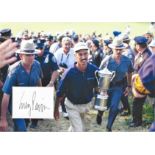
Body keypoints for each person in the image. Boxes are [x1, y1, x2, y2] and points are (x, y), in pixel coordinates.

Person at [54, 42, 98, 132]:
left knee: (84, 129)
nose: (83, 57)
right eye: (80, 54)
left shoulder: (94, 70)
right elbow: (59, 93)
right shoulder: (69, 73)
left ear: (88, 54)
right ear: (75, 56)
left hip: (87, 106)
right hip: (72, 105)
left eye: (85, 54)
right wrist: (56, 110)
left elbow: (99, 86)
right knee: (78, 130)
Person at [0, 40, 42, 131]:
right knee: (22, 128)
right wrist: (3, 119)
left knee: (25, 123)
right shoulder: (14, 71)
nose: (31, 57)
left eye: (32, 54)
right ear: (21, 56)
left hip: (29, 101)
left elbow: (39, 81)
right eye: (27, 55)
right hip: (16, 103)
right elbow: (6, 95)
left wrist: (40, 98)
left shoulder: (37, 65)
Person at [96, 36, 134, 131]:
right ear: (112, 49)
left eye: (120, 49)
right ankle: (100, 114)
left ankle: (109, 126)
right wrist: (99, 88)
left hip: (118, 86)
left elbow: (130, 72)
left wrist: (129, 86)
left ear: (123, 49)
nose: (118, 51)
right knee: (104, 106)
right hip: (106, 86)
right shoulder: (107, 60)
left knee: (114, 107)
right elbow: (99, 73)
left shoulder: (127, 60)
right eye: (116, 49)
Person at [132, 39, 155, 131]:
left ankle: (137, 121)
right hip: (140, 81)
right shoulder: (140, 54)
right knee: (136, 103)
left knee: (138, 103)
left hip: (142, 83)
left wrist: (136, 85)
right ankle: (136, 120)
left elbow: (146, 73)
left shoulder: (147, 56)